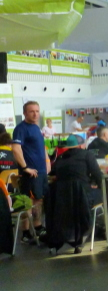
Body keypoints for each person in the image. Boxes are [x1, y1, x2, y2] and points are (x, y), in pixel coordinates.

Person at [45, 134, 103, 254]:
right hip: (82, 198)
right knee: (102, 195)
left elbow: (53, 174)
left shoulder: (60, 158)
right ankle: (99, 231)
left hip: (62, 199)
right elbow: (98, 175)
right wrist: (99, 185)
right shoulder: (87, 155)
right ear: (81, 145)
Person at [12, 101, 50, 242]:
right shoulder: (21, 129)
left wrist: (47, 161)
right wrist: (25, 167)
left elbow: (41, 147)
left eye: (37, 111)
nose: (35, 114)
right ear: (25, 113)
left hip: (41, 171)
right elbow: (16, 149)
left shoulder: (36, 127)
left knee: (38, 200)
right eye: (31, 111)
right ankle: (26, 233)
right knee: (28, 202)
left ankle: (38, 227)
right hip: (30, 173)